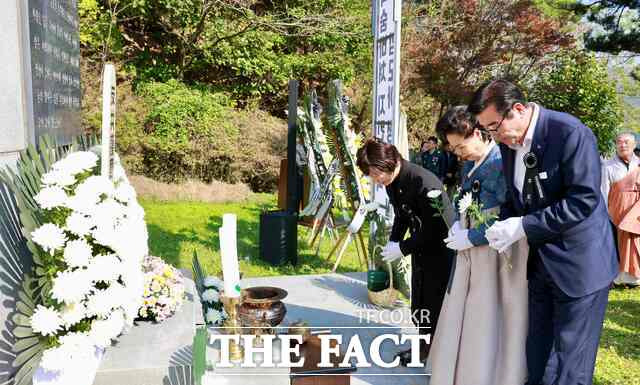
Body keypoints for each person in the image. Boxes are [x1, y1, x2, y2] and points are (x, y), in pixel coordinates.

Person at [471, 79, 618, 385]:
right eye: (488, 131)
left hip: (579, 266)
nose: (494, 136)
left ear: (518, 110)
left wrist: (524, 226)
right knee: (537, 355)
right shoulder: (509, 144)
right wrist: (503, 227)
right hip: (540, 266)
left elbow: (583, 201)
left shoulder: (569, 133)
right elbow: (516, 199)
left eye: (494, 127)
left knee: (569, 364)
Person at [428, 106, 528, 385]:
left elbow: (507, 213)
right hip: (471, 251)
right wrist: (461, 225)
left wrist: (472, 236)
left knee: (489, 315)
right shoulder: (471, 164)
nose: (459, 154)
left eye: (461, 146)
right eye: (454, 149)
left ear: (478, 132)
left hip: (497, 253)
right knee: (467, 311)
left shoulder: (501, 162)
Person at [356, 138, 454, 365]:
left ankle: (438, 354)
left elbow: (437, 228)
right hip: (420, 248)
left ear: (386, 164)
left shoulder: (423, 181)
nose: (375, 181)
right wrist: (394, 241)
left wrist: (403, 247)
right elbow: (401, 215)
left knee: (435, 303)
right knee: (419, 302)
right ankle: (422, 348)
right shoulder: (392, 181)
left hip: (441, 251)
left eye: (374, 174)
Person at [602, 133, 640, 286]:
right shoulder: (607, 166)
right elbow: (603, 191)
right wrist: (604, 214)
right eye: (619, 142)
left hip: (636, 211)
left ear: (634, 145)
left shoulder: (639, 164)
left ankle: (636, 278)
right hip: (616, 211)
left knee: (637, 242)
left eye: (626, 142)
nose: (622, 145)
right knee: (617, 244)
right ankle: (620, 279)